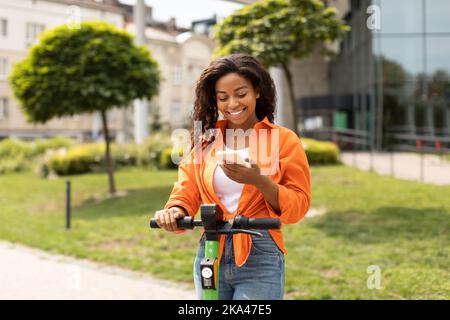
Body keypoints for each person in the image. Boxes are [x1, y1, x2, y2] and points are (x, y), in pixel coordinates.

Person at [153, 53, 311, 300]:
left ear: (257, 91)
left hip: (260, 252)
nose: (233, 104)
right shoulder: (204, 141)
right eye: (223, 97)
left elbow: (298, 206)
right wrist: (174, 210)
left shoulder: (283, 140)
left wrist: (259, 180)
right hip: (210, 252)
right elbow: (186, 191)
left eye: (241, 93)